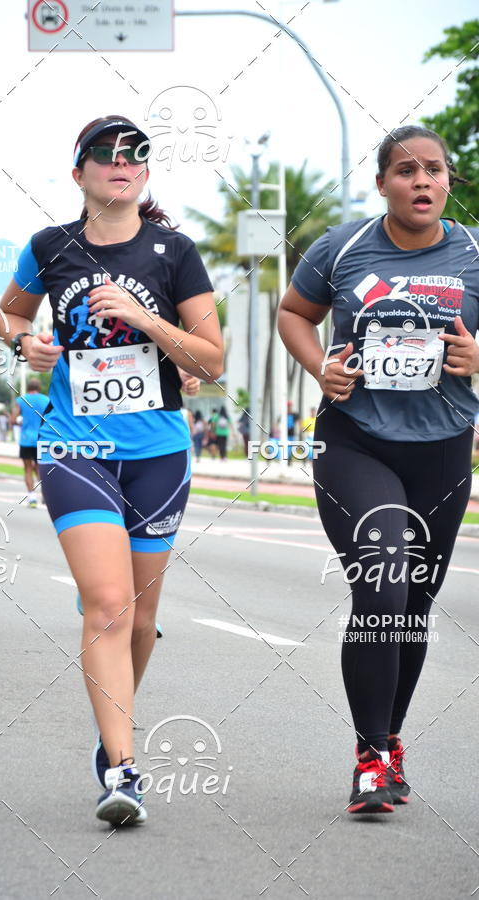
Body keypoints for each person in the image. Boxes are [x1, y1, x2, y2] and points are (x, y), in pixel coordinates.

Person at [0, 115, 223, 825]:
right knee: (107, 604)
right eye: (105, 155)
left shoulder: (174, 252)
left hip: (158, 452)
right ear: (80, 174)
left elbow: (211, 360)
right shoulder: (48, 248)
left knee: (141, 619)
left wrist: (145, 319)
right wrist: (24, 343)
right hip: (75, 446)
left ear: (146, 173)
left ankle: (110, 727)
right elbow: (8, 317)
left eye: (135, 155)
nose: (121, 163)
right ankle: (123, 771)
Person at [278, 125, 479, 815]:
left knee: (413, 608)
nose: (421, 181)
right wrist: (321, 367)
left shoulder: (475, 252)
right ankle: (369, 761)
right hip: (355, 442)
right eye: (405, 170)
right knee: (386, 582)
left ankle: (391, 739)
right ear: (383, 183)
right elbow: (293, 314)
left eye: (433, 170)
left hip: (445, 451)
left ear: (449, 181)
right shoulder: (341, 248)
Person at [10, 379, 49, 508]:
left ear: (27, 387)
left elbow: (13, 420)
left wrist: (21, 423)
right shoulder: (46, 400)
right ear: (39, 387)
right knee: (40, 468)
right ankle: (45, 494)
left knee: (27, 468)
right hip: (41, 438)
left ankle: (32, 498)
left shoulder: (21, 400)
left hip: (26, 438)